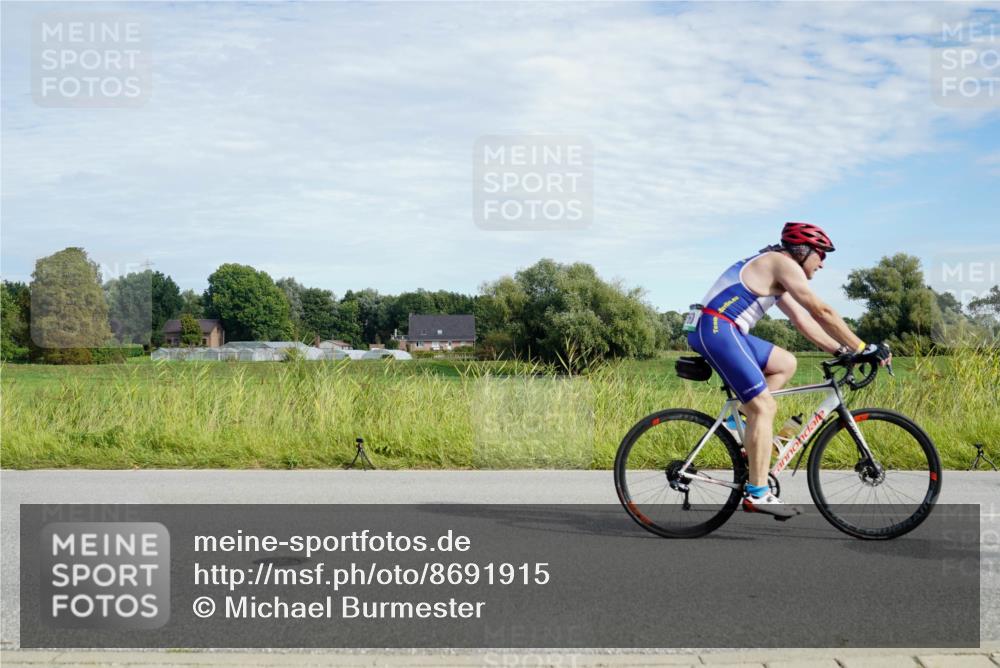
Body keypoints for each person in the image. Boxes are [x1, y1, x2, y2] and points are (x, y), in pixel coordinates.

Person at [686, 222, 891, 519]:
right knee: (765, 408)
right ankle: (757, 493)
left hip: (723, 328)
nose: (822, 263)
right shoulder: (782, 263)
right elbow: (821, 311)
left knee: (786, 363)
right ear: (803, 250)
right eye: (821, 254)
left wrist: (842, 351)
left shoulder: (777, 269)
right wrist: (861, 347)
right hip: (717, 327)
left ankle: (738, 427)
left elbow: (802, 321)